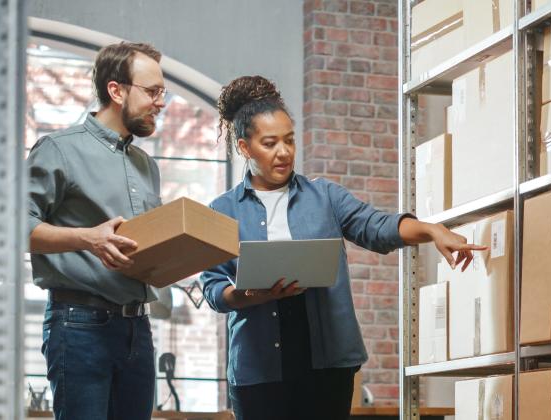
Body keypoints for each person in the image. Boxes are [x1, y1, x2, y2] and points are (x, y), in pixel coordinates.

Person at [201, 76, 483, 420]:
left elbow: (376, 227)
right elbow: (214, 289)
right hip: (258, 370)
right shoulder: (222, 210)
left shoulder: (325, 197)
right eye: (270, 143)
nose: (284, 152)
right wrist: (249, 295)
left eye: (290, 141)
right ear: (245, 148)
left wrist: (430, 230)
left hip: (326, 362)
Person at [26, 41, 169, 420]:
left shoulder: (147, 166)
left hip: (138, 329)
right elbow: (13, 227)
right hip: (79, 326)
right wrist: (89, 238)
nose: (160, 101)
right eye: (152, 91)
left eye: (163, 92)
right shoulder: (58, 150)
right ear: (116, 90)